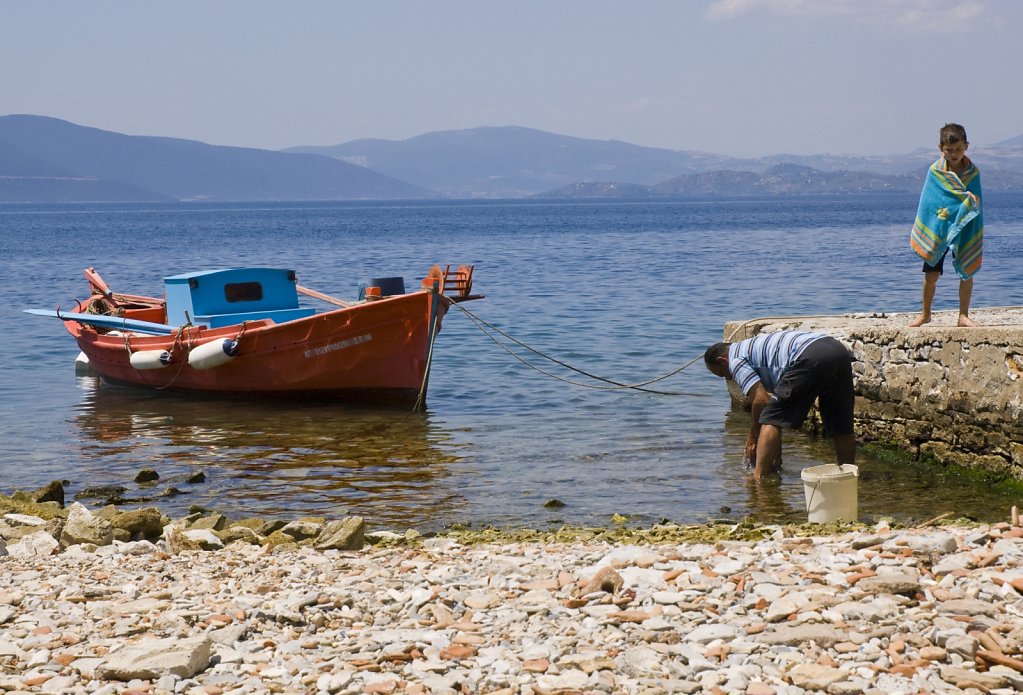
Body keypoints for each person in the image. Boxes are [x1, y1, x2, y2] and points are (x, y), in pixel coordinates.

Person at [704, 330, 855, 480]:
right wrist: (775, 454)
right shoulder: (750, 348)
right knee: (839, 420)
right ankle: (848, 475)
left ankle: (759, 478)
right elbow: (780, 409)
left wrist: (752, 437)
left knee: (770, 416)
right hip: (836, 349)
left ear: (722, 360)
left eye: (723, 374)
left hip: (809, 354)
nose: (729, 378)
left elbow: (760, 400)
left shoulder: (735, 360)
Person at [908, 123, 984, 327]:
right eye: (949, 150)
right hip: (938, 228)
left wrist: (969, 200)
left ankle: (963, 315)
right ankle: (925, 314)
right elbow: (930, 201)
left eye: (959, 149)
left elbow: (976, 200)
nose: (954, 154)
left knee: (966, 271)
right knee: (931, 274)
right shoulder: (935, 171)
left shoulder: (972, 172)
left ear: (966, 146)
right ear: (941, 147)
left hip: (964, 226)